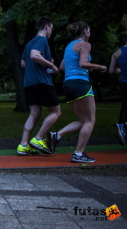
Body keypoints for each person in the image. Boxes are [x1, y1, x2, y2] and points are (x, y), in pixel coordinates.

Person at [48, 21, 107, 163]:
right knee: (90, 121)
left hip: (68, 84)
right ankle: (78, 154)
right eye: (89, 30)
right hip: (80, 83)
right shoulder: (85, 45)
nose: (90, 33)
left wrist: (85, 67)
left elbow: (62, 66)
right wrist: (99, 66)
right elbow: (82, 64)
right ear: (85, 30)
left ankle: (57, 135)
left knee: (82, 120)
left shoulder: (69, 46)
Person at [17, 17, 60, 156]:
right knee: (56, 112)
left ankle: (23, 145)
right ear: (47, 26)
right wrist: (52, 65)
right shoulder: (42, 40)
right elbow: (34, 55)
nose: (52, 31)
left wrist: (46, 61)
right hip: (42, 82)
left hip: (29, 83)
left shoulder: (30, 43)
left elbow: (24, 63)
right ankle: (38, 139)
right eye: (52, 28)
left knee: (34, 113)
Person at [109, 14, 127, 145]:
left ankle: (122, 125)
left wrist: (121, 70)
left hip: (124, 83)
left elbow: (111, 71)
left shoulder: (117, 53)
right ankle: (123, 126)